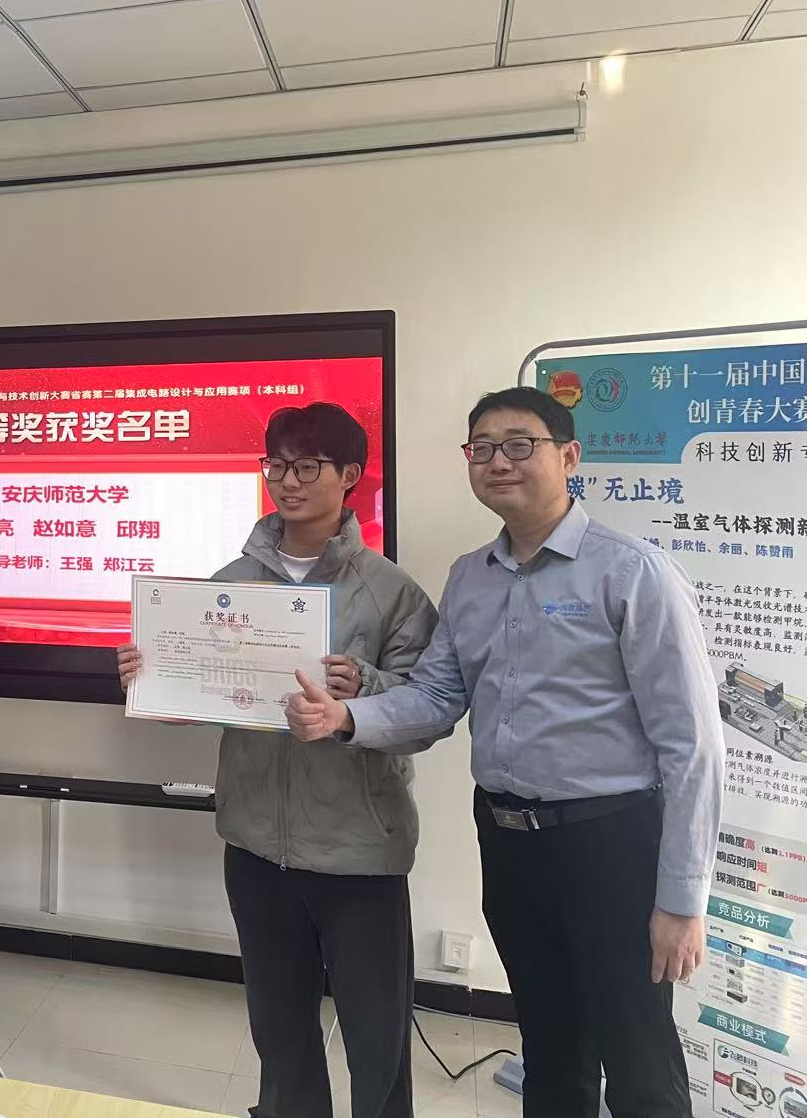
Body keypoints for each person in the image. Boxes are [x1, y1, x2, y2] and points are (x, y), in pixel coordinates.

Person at [287, 386, 722, 1118]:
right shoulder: (470, 577)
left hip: (611, 844)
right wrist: (346, 716)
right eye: (481, 448)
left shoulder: (632, 572)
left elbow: (693, 745)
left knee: (640, 1061)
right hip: (510, 841)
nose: (498, 462)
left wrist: (682, 900)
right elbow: (436, 694)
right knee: (550, 1050)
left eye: (520, 445)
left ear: (569, 457)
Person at [117, 403, 440, 1118]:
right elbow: (209, 697)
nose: (287, 481)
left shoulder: (392, 591)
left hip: (359, 849)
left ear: (349, 475)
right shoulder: (230, 581)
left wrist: (366, 690)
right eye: (277, 465)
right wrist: (157, 679)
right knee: (280, 1028)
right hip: (256, 842)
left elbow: (428, 714)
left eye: (307, 466)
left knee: (376, 1039)